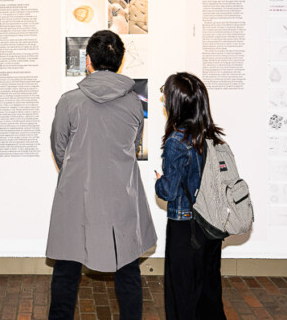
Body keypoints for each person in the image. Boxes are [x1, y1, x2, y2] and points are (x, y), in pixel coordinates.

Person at [46, 30, 157, 320]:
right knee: (128, 271)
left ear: (88, 61)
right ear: (119, 62)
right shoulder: (135, 103)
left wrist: (78, 169)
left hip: (76, 195)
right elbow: (134, 147)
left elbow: (59, 148)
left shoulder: (70, 101)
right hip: (120, 195)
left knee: (66, 272)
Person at [155, 72, 226, 320]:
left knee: (181, 296)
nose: (163, 97)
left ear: (177, 103)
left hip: (186, 228)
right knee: (208, 295)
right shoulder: (212, 136)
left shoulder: (177, 141)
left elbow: (169, 190)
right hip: (211, 227)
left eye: (165, 92)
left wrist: (158, 182)